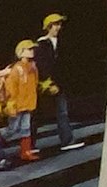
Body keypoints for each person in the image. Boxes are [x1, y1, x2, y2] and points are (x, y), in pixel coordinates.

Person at [31, 14, 86, 153]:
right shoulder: (41, 44)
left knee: (62, 112)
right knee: (36, 114)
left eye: (59, 24)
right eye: (55, 24)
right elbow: (41, 66)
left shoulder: (61, 43)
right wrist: (48, 83)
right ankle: (29, 144)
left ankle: (67, 140)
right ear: (48, 26)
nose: (58, 27)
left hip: (59, 84)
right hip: (43, 85)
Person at [3, 40, 42, 163]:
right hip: (17, 104)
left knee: (26, 128)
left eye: (32, 49)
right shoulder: (17, 68)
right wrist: (11, 103)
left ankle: (25, 152)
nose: (32, 51)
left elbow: (34, 84)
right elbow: (11, 87)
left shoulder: (32, 67)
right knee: (12, 129)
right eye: (29, 49)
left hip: (28, 103)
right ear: (21, 52)